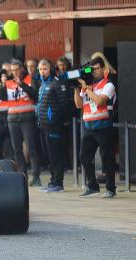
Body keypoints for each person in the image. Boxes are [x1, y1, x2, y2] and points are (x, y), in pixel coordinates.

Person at [74, 56, 117, 198]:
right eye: (92, 69)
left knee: (107, 158)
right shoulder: (88, 85)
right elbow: (79, 105)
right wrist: (76, 88)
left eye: (97, 68)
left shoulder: (108, 84)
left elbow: (99, 101)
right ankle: (92, 187)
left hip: (104, 126)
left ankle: (110, 189)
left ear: (104, 69)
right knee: (84, 157)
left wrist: (86, 88)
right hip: (88, 127)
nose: (94, 71)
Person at [0, 58, 41, 186]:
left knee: (31, 147)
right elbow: (3, 97)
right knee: (17, 149)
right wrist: (2, 84)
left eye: (16, 70)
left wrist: (21, 83)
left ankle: (36, 175)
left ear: (22, 69)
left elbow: (34, 93)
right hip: (13, 119)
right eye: (12, 70)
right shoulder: (9, 81)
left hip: (27, 118)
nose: (14, 72)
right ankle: (23, 174)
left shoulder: (29, 79)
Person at [37, 59, 71, 192]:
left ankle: (58, 183)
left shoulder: (57, 83)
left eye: (44, 69)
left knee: (56, 154)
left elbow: (65, 104)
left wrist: (64, 120)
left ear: (50, 69)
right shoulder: (42, 84)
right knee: (49, 155)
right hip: (43, 124)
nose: (42, 71)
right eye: (40, 69)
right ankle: (53, 181)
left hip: (54, 125)